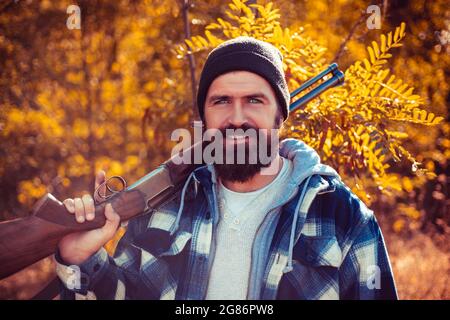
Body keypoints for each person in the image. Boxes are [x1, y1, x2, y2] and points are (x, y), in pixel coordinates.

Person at [55, 36, 398, 300]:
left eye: (254, 100)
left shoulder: (343, 216)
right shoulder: (162, 208)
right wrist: (80, 257)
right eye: (221, 102)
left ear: (279, 116)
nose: (236, 118)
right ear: (204, 118)